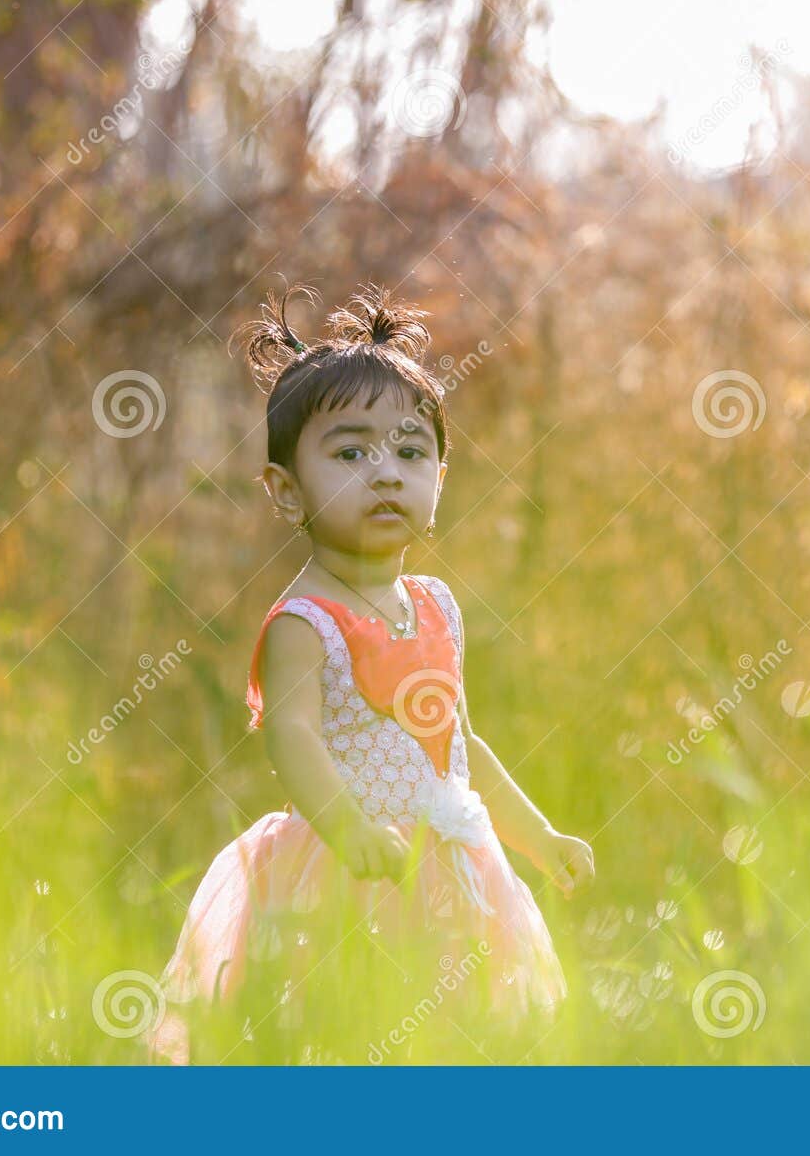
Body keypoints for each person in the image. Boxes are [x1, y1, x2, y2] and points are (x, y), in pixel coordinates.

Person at [146, 281, 595, 1064]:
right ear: (287, 491)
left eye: (410, 452)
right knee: (346, 1027)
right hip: (349, 863)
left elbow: (460, 744)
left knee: (454, 1035)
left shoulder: (437, 606)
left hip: (453, 865)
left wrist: (537, 836)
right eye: (351, 453)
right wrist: (348, 827)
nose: (386, 472)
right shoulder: (305, 621)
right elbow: (291, 739)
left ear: (439, 480)